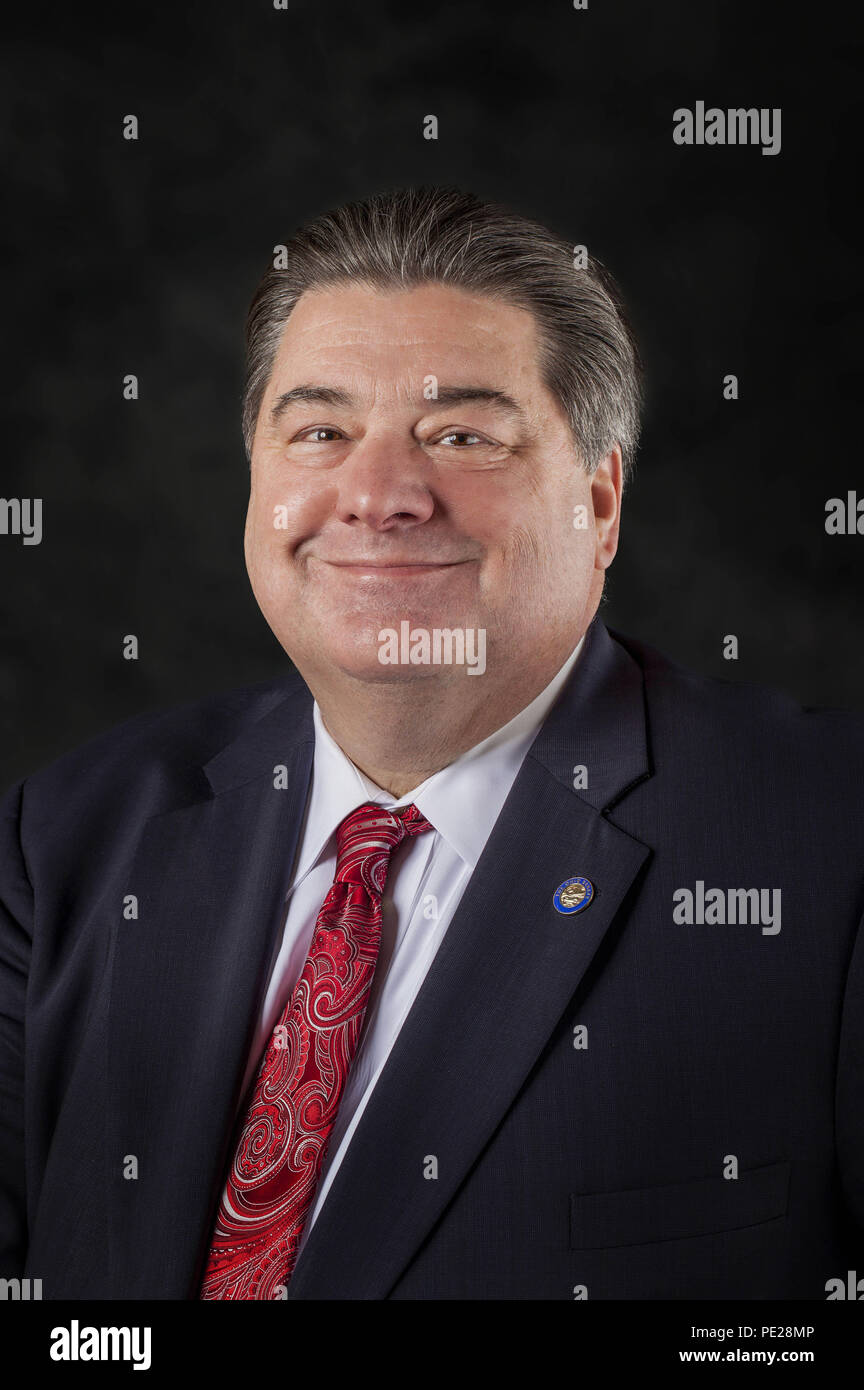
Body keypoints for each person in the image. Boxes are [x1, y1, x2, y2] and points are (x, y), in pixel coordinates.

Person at [1, 186, 861, 1301]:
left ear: (600, 502)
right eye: (321, 431)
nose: (378, 494)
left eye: (462, 433)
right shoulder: (61, 842)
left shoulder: (829, 851)